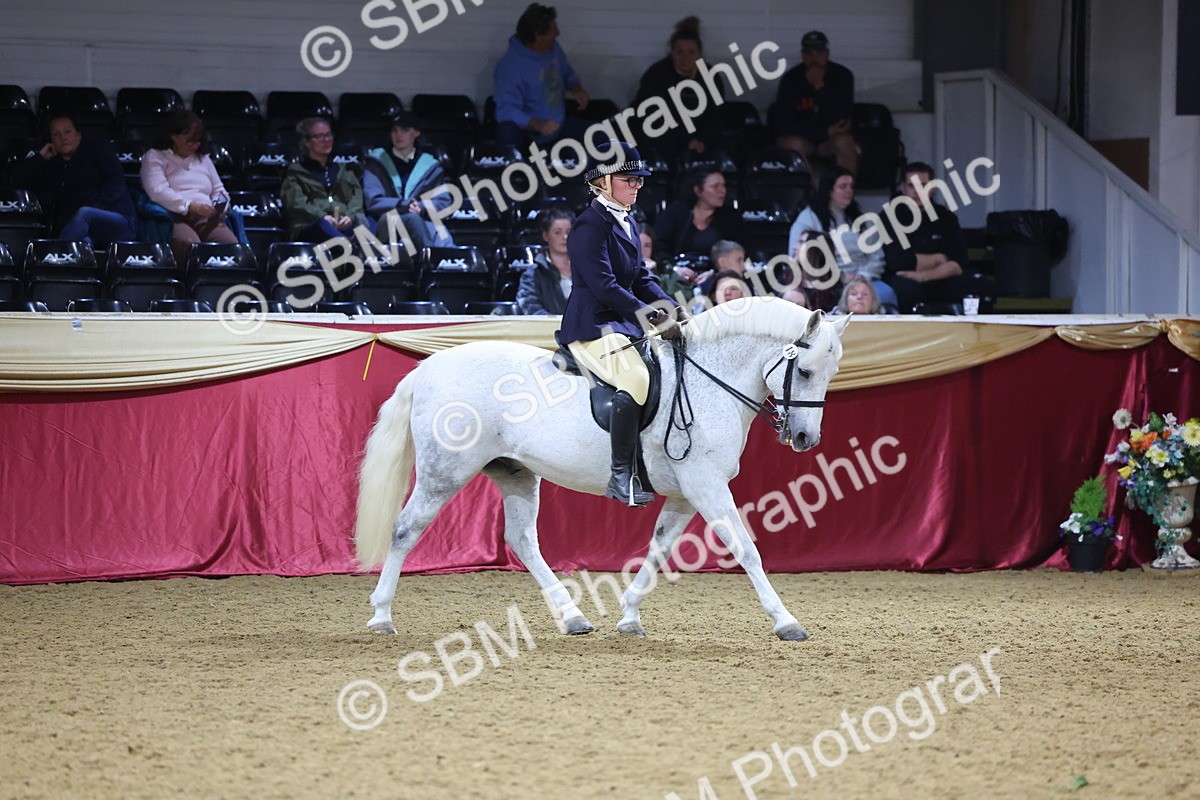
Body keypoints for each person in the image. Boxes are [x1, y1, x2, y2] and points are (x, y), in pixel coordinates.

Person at [556, 142, 684, 507]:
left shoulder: (628, 221)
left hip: (623, 326)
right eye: (629, 180)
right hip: (592, 326)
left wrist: (673, 309)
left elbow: (641, 279)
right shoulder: (588, 227)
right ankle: (621, 475)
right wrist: (652, 317)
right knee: (637, 378)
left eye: (639, 180)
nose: (637, 186)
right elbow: (604, 286)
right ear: (605, 182)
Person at [11, 115, 137, 248]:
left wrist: (86, 207)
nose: (63, 137)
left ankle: (55, 255)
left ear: (79, 135)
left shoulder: (100, 152)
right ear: (51, 141)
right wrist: (40, 158)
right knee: (83, 243)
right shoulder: (53, 167)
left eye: (67, 131)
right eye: (56, 134)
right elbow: (18, 181)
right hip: (85, 229)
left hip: (120, 221)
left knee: (85, 213)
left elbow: (116, 185)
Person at [788, 167, 898, 309]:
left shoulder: (862, 220)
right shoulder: (808, 218)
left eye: (851, 187)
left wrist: (862, 276)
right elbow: (796, 254)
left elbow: (876, 255)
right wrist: (838, 276)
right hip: (828, 281)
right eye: (843, 186)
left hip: (864, 278)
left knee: (886, 293)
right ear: (829, 190)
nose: (848, 191)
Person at [140, 110, 237, 265]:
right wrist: (190, 206)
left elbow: (219, 189)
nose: (194, 146)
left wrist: (221, 206)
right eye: (189, 141)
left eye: (197, 142)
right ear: (174, 136)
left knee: (230, 245)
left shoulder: (203, 159)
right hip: (173, 214)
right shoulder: (155, 156)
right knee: (190, 244)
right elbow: (157, 191)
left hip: (206, 214)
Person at [493, 3, 589, 149]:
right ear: (538, 36)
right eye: (553, 29)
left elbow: (566, 73)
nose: (558, 33)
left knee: (601, 135)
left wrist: (576, 88)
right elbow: (506, 110)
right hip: (528, 132)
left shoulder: (553, 48)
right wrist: (536, 123)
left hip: (558, 125)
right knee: (507, 132)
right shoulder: (510, 66)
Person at [882, 161, 973, 313]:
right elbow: (897, 262)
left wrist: (922, 275)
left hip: (939, 278)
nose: (917, 191)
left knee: (973, 286)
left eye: (923, 185)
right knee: (906, 289)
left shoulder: (946, 217)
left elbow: (959, 263)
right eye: (912, 186)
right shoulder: (889, 216)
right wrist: (939, 259)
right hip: (904, 280)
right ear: (903, 188)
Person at [633, 16, 723, 158]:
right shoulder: (656, 74)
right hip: (663, 135)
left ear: (699, 54)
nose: (685, 58)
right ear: (672, 53)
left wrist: (702, 140)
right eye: (680, 52)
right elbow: (652, 114)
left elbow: (716, 114)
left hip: (700, 138)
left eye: (691, 53)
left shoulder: (710, 75)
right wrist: (687, 140)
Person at [362, 111, 453, 250]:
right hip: (387, 220)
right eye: (395, 130)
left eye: (405, 130)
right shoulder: (376, 162)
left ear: (416, 133)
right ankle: (429, 263)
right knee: (413, 220)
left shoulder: (430, 165)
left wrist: (420, 207)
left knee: (441, 233)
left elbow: (443, 202)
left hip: (422, 218)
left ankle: (449, 265)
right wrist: (403, 205)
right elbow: (373, 200)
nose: (398, 135)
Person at [771, 31, 857, 174]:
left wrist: (819, 86)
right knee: (791, 144)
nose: (814, 58)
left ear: (827, 54)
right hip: (804, 140)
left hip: (829, 142)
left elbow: (842, 120)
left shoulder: (842, 76)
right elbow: (784, 125)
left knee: (845, 141)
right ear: (803, 55)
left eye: (819, 53)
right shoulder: (791, 79)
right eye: (809, 53)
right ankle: (810, 192)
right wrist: (824, 131)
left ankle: (844, 191)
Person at [280, 117, 373, 243]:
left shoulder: (344, 170)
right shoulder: (295, 173)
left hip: (341, 223)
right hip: (310, 225)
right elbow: (297, 204)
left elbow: (355, 199)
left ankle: (353, 247)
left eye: (329, 135)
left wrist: (349, 216)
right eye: (320, 136)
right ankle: (347, 245)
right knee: (322, 225)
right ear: (307, 142)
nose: (327, 140)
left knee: (364, 221)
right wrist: (323, 216)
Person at [654, 166, 741, 261]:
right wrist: (673, 269)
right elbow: (658, 246)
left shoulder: (731, 216)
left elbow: (741, 253)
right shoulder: (677, 211)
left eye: (723, 185)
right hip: (678, 271)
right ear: (698, 190)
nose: (723, 191)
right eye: (715, 186)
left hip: (718, 273)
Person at [516, 206, 574, 314]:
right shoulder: (533, 275)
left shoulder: (587, 269)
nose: (565, 237)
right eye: (557, 232)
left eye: (568, 231)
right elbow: (529, 306)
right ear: (546, 236)